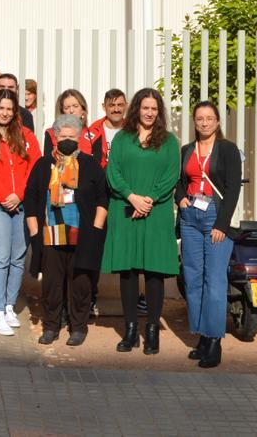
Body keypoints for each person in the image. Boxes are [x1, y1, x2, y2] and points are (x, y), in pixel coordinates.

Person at [103, 88, 180, 355]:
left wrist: (149, 199)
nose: (149, 113)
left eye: (154, 109)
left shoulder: (168, 141)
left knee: (155, 272)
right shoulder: (123, 138)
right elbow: (113, 171)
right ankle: (131, 329)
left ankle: (151, 332)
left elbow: (172, 174)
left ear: (159, 112)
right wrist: (132, 197)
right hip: (125, 209)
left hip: (156, 213)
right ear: (137, 108)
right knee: (129, 272)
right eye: (145, 107)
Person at [24, 114, 108, 347]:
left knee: (80, 282)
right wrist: (34, 231)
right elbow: (31, 198)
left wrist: (96, 227)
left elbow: (102, 196)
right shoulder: (43, 164)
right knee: (52, 282)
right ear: (55, 137)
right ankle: (51, 326)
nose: (67, 140)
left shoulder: (90, 164)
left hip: (83, 232)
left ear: (79, 138)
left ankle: (78, 327)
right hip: (52, 230)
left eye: (72, 136)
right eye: (63, 136)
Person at [177, 101, 242, 368]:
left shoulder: (227, 150)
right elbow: (178, 181)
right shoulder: (186, 150)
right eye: (199, 119)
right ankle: (201, 335)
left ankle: (214, 340)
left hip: (216, 217)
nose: (204, 123)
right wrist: (180, 198)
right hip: (190, 216)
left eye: (209, 118)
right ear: (194, 122)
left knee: (214, 281)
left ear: (217, 122)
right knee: (193, 279)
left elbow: (233, 187)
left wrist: (222, 225)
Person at [0, 89, 41, 336]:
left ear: (15, 112)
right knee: (0, 257)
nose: (4, 113)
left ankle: (8, 305)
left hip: (21, 202)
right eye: (0, 108)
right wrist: (4, 196)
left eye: (9, 109)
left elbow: (34, 167)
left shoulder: (26, 135)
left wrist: (20, 194)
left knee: (17, 257)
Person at [42, 89, 104, 162]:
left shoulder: (95, 135)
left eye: (75, 106)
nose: (71, 111)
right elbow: (47, 161)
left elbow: (96, 164)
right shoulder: (51, 133)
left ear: (83, 109)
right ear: (62, 111)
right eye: (67, 108)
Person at [88, 89, 127, 168]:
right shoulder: (93, 130)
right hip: (101, 178)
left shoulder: (133, 130)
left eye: (120, 105)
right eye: (112, 105)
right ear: (104, 107)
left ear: (126, 106)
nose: (116, 109)